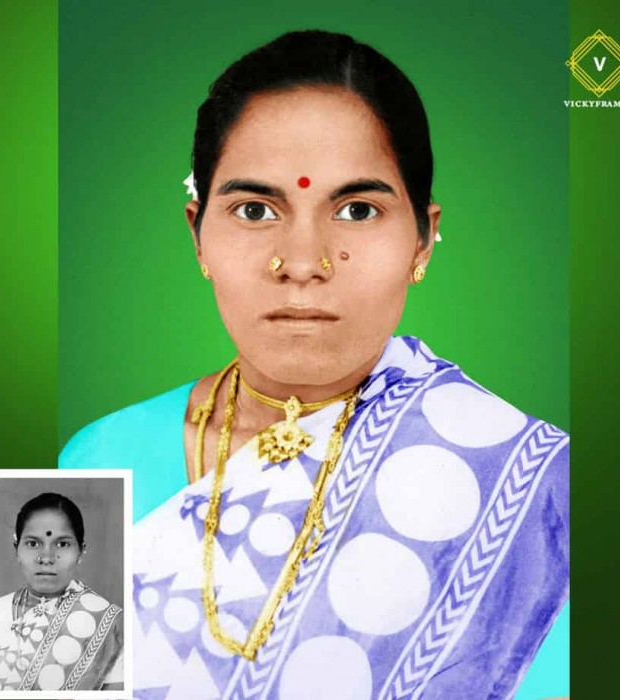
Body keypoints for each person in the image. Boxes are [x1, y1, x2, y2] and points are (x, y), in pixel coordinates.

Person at [61, 30, 568, 699]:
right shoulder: (99, 460)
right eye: (255, 210)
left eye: (357, 210)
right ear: (197, 235)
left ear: (423, 240)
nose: (302, 262)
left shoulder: (532, 492)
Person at [0, 492, 123, 692]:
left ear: (81, 551)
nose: (46, 558)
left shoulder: (111, 625)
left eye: (62, 544)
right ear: (16, 549)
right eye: (33, 543)